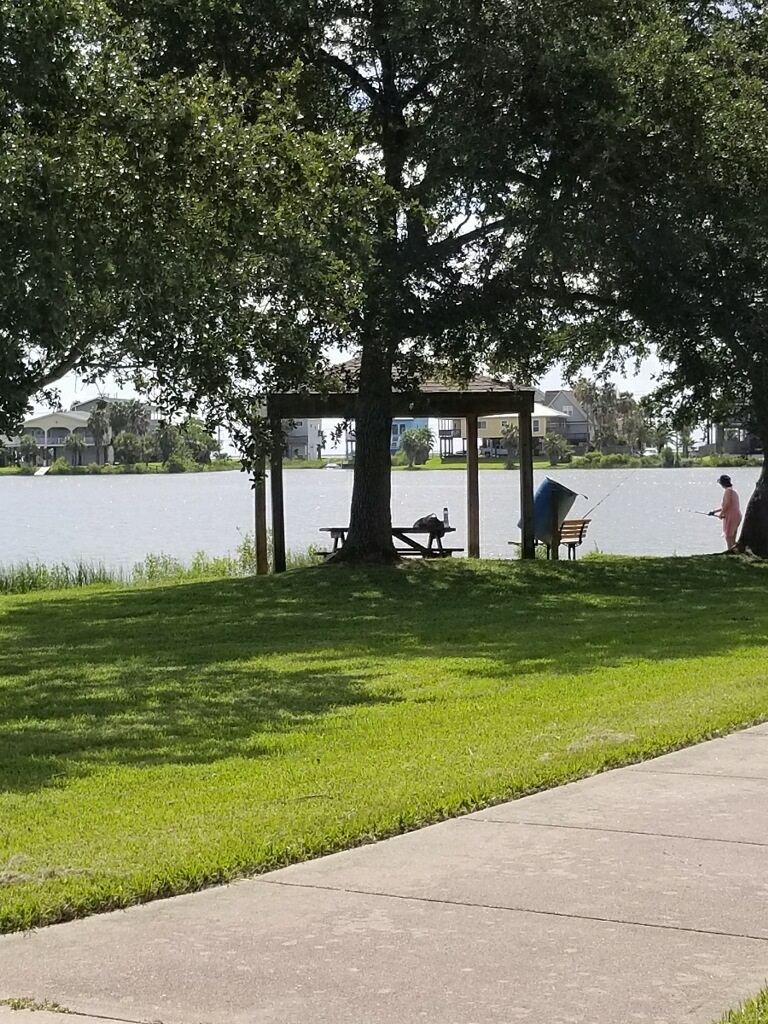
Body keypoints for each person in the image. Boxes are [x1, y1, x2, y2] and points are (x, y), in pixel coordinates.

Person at [709, 474, 742, 552]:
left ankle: (730, 552)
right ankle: (734, 552)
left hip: (731, 516)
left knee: (728, 536)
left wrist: (721, 515)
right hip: (736, 516)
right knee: (732, 536)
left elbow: (726, 505)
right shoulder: (732, 491)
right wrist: (714, 512)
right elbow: (727, 506)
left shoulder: (728, 491)